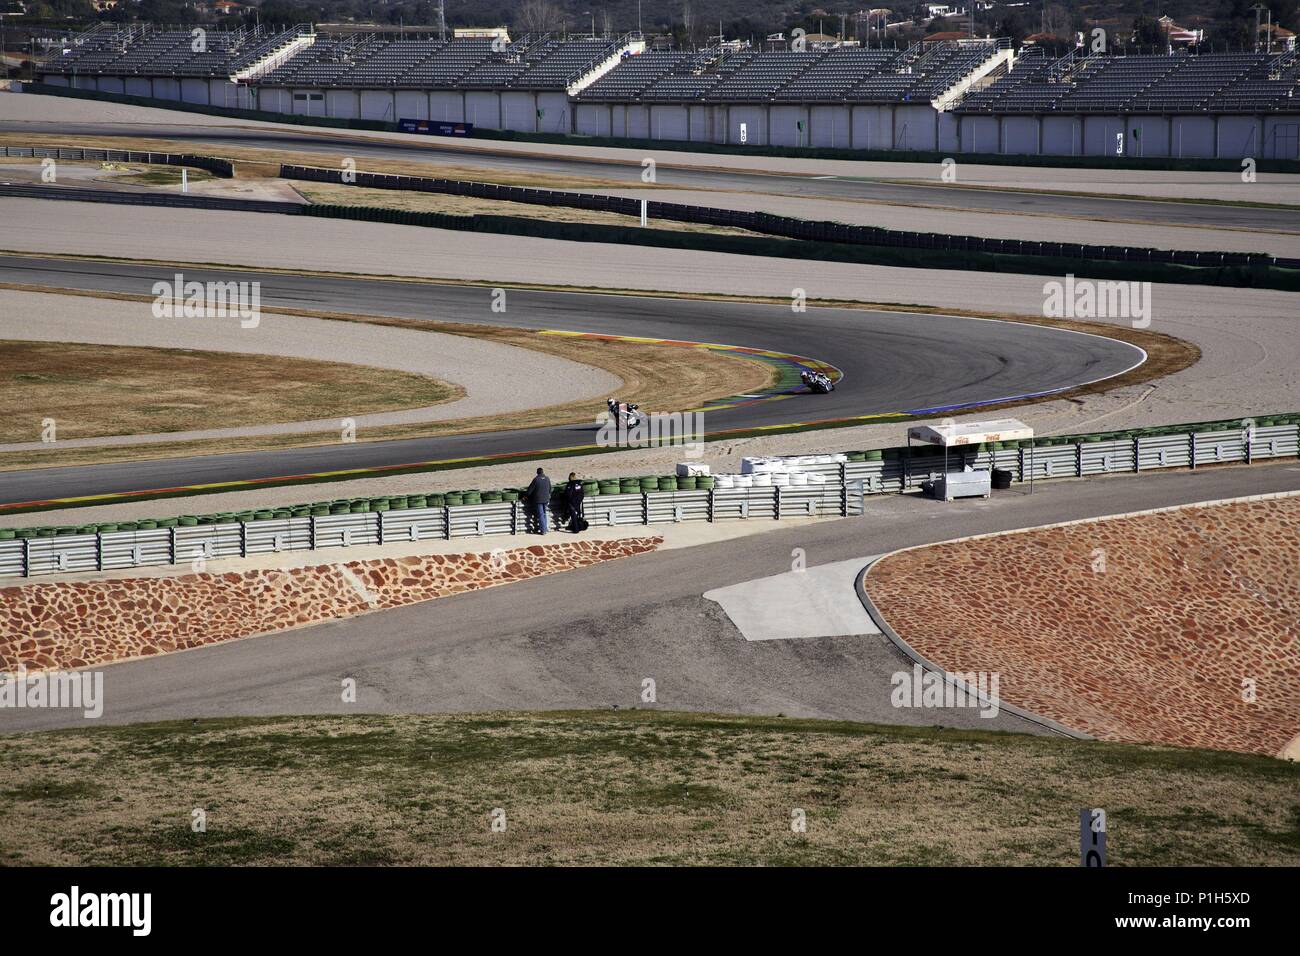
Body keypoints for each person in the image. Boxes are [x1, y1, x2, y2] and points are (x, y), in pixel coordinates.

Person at [525, 467, 552, 534]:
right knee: (544, 514)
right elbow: (550, 489)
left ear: (537, 473)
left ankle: (543, 530)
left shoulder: (536, 479)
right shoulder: (547, 478)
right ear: (543, 472)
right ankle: (545, 528)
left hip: (538, 500)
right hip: (546, 499)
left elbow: (530, 490)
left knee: (541, 514)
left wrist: (526, 496)